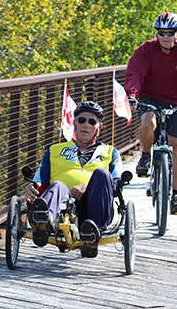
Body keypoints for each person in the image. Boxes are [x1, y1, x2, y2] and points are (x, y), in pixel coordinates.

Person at [125, 12, 177, 215]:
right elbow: (135, 71)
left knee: (176, 146)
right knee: (147, 121)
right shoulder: (147, 49)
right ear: (157, 33)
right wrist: (132, 95)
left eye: (170, 33)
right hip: (150, 96)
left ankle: (176, 195)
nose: (166, 37)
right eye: (161, 33)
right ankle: (145, 156)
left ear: (176, 33)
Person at [23, 101, 123, 257]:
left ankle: (92, 232)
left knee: (103, 175)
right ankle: (43, 223)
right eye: (81, 120)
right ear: (74, 124)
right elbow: (40, 180)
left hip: (93, 207)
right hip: (61, 206)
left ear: (98, 127)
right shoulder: (55, 150)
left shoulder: (111, 152)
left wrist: (86, 186)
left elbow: (117, 184)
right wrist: (31, 187)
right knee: (57, 185)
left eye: (92, 122)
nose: (86, 125)